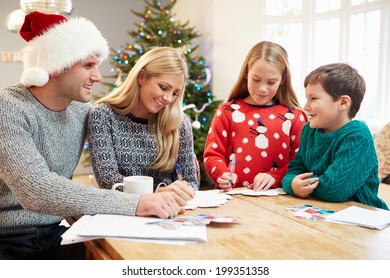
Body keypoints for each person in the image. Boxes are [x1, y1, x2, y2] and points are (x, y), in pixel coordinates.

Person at [0, 12, 183, 260]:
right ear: (57, 65)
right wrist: (135, 203)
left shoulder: (81, 110)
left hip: (54, 233)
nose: (97, 76)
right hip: (7, 239)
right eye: (88, 66)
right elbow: (36, 189)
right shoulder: (8, 107)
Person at [87, 47, 197, 206]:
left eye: (175, 93)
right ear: (142, 77)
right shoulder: (103, 115)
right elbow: (108, 181)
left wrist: (183, 190)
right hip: (123, 213)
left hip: (170, 212)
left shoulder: (179, 123)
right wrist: (156, 193)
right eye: (164, 87)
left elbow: (191, 181)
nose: (168, 98)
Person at [282, 63, 389, 210]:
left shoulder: (358, 135)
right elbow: (295, 169)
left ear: (343, 103)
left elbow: (334, 189)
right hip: (321, 212)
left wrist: (304, 185)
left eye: (313, 98)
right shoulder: (309, 130)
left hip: (362, 218)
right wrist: (293, 184)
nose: (306, 106)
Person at [203, 41, 307, 191]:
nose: (262, 89)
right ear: (246, 73)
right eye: (256, 79)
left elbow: (299, 162)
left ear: (283, 79)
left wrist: (275, 176)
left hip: (278, 201)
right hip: (233, 198)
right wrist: (222, 174)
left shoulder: (295, 117)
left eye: (271, 82)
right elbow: (213, 155)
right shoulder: (227, 112)